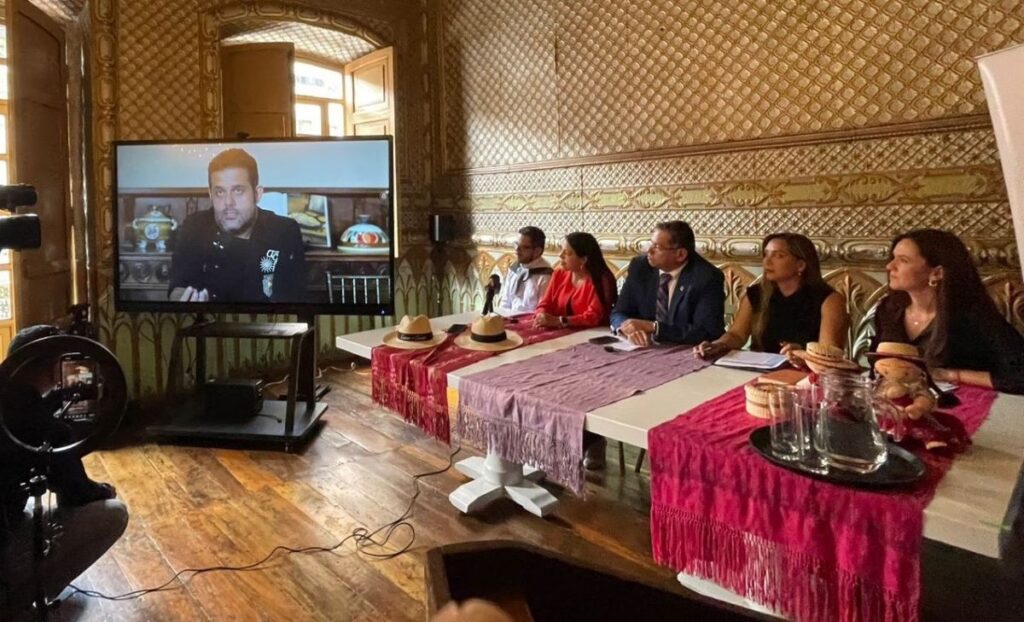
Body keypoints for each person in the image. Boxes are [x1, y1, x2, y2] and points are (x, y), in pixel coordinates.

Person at [0, 326, 128, 617]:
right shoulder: (46, 428)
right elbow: (77, 495)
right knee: (113, 512)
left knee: (29, 514)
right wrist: (104, 489)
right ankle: (18, 601)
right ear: (52, 368)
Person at [872, 228, 1024, 394]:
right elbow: (877, 361)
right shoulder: (888, 309)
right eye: (893, 258)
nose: (889, 266)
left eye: (903, 260)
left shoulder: (973, 315)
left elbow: (1019, 376)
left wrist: (951, 374)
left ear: (937, 273)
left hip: (962, 404)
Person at [168, 148, 307, 303]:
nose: (228, 202)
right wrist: (184, 301)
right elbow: (177, 285)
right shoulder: (194, 226)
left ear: (257, 194)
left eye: (238, 191)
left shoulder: (283, 231)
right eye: (220, 192)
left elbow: (291, 299)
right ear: (210, 195)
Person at [695, 233, 848, 360]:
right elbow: (737, 335)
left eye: (778, 256)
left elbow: (829, 353)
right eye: (766, 254)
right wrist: (718, 344)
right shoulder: (755, 294)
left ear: (800, 265)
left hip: (805, 376)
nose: (767, 261)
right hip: (760, 370)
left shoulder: (829, 299)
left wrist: (803, 354)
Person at [611, 221, 725, 346]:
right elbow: (619, 312)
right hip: (643, 348)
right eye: (651, 244)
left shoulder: (707, 277)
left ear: (680, 254)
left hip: (687, 352)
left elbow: (707, 332)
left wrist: (655, 328)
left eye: (657, 247)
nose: (649, 251)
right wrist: (625, 328)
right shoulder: (640, 267)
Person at [532, 232, 618, 330]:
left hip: (593, 333)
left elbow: (594, 317)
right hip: (562, 332)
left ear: (583, 259)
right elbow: (545, 304)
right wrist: (541, 315)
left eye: (567, 253)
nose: (560, 255)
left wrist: (560, 321)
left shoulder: (601, 280)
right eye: (561, 250)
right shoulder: (559, 274)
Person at [497, 226, 553, 314]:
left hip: (529, 323)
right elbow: (505, 302)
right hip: (509, 320)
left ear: (537, 251)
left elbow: (542, 311)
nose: (517, 250)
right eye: (516, 245)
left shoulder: (546, 275)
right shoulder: (514, 269)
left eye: (524, 247)